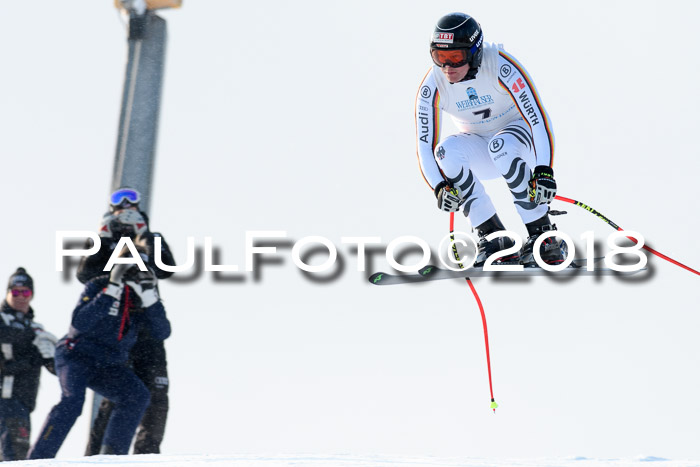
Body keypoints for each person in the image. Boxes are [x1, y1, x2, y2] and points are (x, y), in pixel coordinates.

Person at [416, 12, 565, 266]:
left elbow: (538, 120)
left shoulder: (500, 66)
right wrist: (439, 187)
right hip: (477, 146)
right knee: (445, 152)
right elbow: (425, 147)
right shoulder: (434, 84)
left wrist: (544, 170)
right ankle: (496, 238)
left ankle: (543, 235)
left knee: (501, 146)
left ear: (474, 53)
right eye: (439, 57)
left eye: (455, 57)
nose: (447, 67)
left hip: (518, 139)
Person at [26, 256, 171, 459]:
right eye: (130, 270)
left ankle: (111, 456)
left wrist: (149, 298)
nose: (135, 276)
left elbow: (162, 332)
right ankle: (38, 459)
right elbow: (79, 323)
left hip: (108, 363)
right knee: (73, 402)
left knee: (137, 395)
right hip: (75, 355)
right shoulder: (99, 285)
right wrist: (111, 290)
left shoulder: (143, 299)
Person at [78, 187, 175, 455]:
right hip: (116, 328)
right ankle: (99, 456)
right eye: (119, 202)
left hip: (148, 324)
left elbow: (167, 268)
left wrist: (144, 236)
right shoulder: (103, 240)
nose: (125, 206)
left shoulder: (150, 238)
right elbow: (85, 274)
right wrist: (103, 237)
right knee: (118, 394)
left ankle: (147, 455)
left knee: (156, 393)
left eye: (131, 201)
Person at [0, 268, 57, 461]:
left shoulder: (36, 328)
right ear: (7, 293)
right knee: (13, 457)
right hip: (5, 401)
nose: (20, 297)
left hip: (24, 403)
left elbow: (55, 369)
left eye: (26, 292)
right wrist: (34, 351)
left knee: (16, 456)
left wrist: (55, 354)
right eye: (15, 292)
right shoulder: (4, 323)